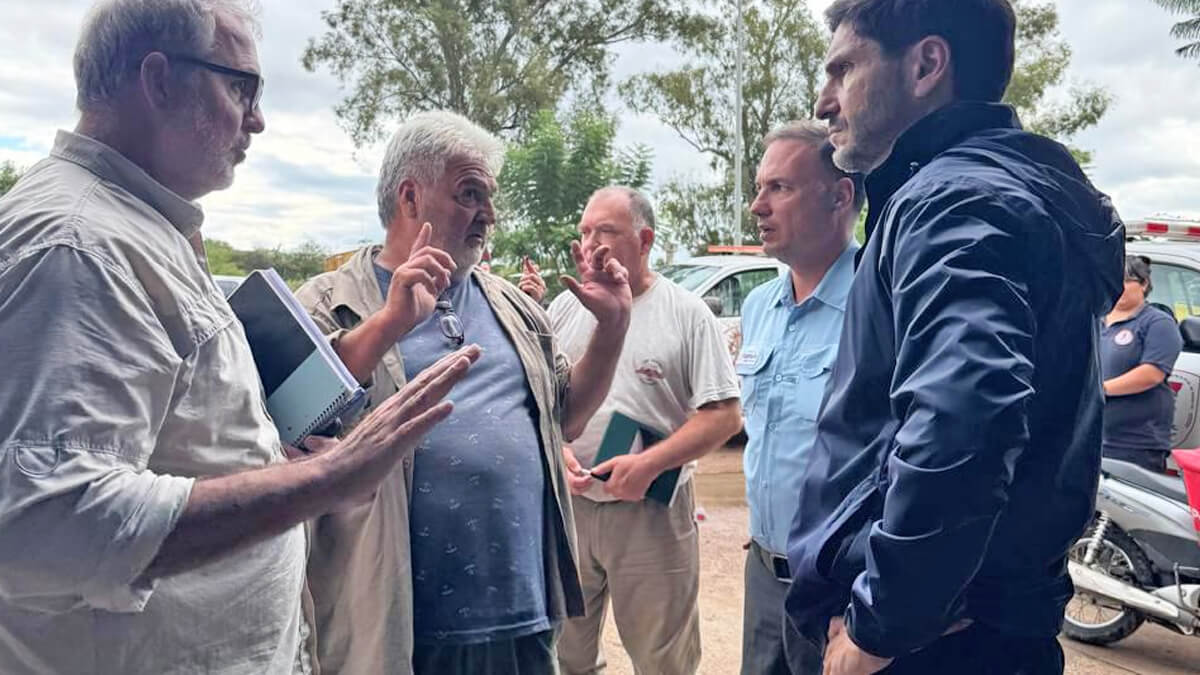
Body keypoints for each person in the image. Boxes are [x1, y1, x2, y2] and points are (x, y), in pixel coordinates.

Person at [0, 2, 477, 673]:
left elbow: (179, 435)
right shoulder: (78, 246)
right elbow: (46, 518)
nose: (257, 119)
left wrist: (272, 456)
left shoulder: (137, 229)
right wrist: (323, 477)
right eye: (241, 88)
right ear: (159, 80)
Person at [786, 1, 1126, 673]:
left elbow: (966, 414)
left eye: (844, 69)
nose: (824, 102)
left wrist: (882, 622)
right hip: (975, 632)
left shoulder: (955, 201)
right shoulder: (996, 190)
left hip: (933, 648)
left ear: (926, 65)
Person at [294, 111, 633, 675]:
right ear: (410, 198)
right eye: (470, 194)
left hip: (523, 614)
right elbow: (289, 422)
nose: (489, 216)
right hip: (394, 625)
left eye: (489, 198)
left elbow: (564, 420)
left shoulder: (514, 305)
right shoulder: (326, 302)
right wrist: (389, 324)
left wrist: (614, 328)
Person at [549, 186, 742, 675]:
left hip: (651, 510)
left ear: (645, 239)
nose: (590, 244)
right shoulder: (564, 310)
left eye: (606, 232)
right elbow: (544, 405)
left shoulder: (686, 313)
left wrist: (649, 463)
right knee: (566, 655)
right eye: (585, 232)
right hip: (572, 507)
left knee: (663, 660)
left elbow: (724, 415)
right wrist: (560, 451)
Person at [737, 121, 864, 675]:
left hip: (840, 585)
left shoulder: (879, 305)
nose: (757, 206)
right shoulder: (759, 307)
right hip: (764, 571)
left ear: (840, 195)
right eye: (759, 188)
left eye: (779, 189)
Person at [1101, 255, 1184, 472]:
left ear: (1144, 284)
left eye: (1127, 281)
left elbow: (1152, 373)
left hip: (1135, 442)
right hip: (1092, 437)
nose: (1118, 287)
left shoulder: (1157, 323)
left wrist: (1100, 390)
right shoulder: (1095, 321)